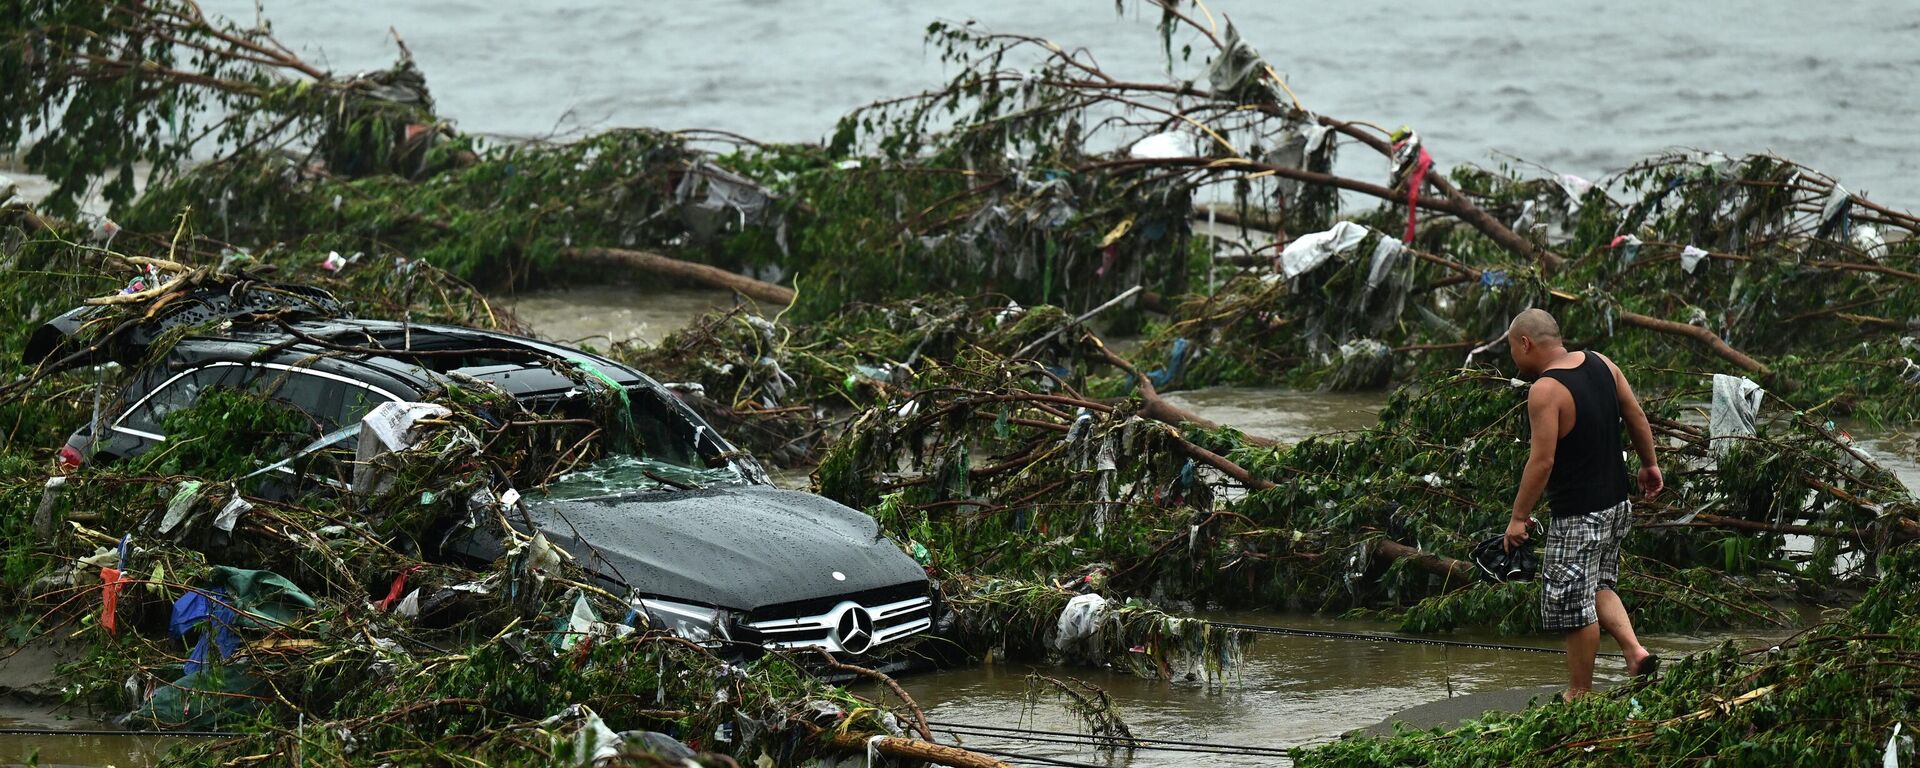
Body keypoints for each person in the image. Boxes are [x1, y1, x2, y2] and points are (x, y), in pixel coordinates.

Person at [1501, 308, 1662, 699]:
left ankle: (1580, 693)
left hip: (1578, 516)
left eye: (1512, 350)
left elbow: (1542, 460)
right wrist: (1650, 463)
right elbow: (1636, 414)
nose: (1513, 359)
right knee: (1597, 587)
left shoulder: (1546, 390)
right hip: (1615, 506)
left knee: (1575, 606)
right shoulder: (1603, 364)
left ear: (1526, 344)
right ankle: (1634, 651)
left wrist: (1518, 517)